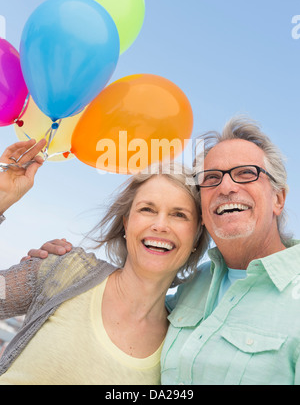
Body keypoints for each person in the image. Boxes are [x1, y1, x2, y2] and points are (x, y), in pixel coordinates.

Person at [0, 139, 207, 385]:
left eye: (179, 214)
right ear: (126, 223)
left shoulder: (182, 347)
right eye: (147, 209)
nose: (160, 225)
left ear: (196, 235)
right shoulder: (65, 269)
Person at [160, 116, 300, 385]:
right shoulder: (189, 286)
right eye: (211, 178)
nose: (226, 187)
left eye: (246, 173)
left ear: (278, 199)